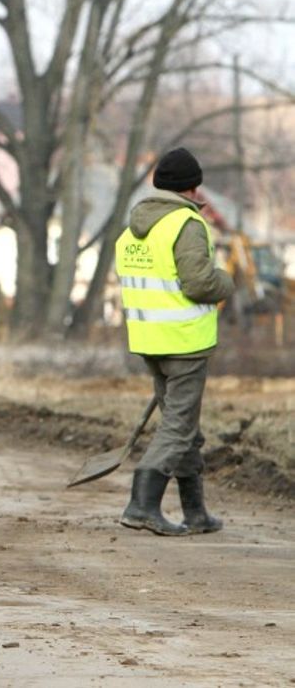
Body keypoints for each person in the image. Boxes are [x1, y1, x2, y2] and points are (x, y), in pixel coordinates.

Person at [114, 147, 234, 536]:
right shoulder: (185, 223)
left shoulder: (133, 228)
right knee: (179, 428)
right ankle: (141, 506)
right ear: (193, 186)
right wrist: (226, 282)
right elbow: (199, 283)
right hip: (184, 342)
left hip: (150, 340)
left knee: (184, 426)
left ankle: (195, 513)